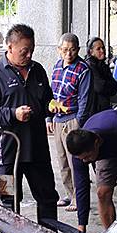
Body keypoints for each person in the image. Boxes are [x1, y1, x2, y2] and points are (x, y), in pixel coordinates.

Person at [0, 24, 59, 226]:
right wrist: (13, 114)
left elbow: (46, 99)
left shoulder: (37, 69)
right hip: (7, 149)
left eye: (32, 50)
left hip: (37, 146)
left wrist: (52, 106)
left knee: (47, 196)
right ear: (9, 47)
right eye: (24, 51)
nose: (29, 55)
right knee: (9, 199)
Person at [49, 33, 92, 212]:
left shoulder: (83, 69)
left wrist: (78, 122)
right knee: (62, 161)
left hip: (73, 119)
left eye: (73, 50)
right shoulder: (57, 67)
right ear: (59, 50)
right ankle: (69, 193)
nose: (69, 54)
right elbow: (51, 95)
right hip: (57, 120)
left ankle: (78, 198)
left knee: (75, 162)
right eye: (65, 50)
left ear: (78, 50)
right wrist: (48, 117)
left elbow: (84, 99)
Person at [85, 37, 117, 114]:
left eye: (103, 48)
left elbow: (114, 85)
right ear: (91, 52)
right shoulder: (90, 66)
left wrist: (108, 84)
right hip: (94, 110)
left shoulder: (103, 65)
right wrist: (108, 84)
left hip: (104, 107)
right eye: (98, 49)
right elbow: (100, 87)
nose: (102, 51)